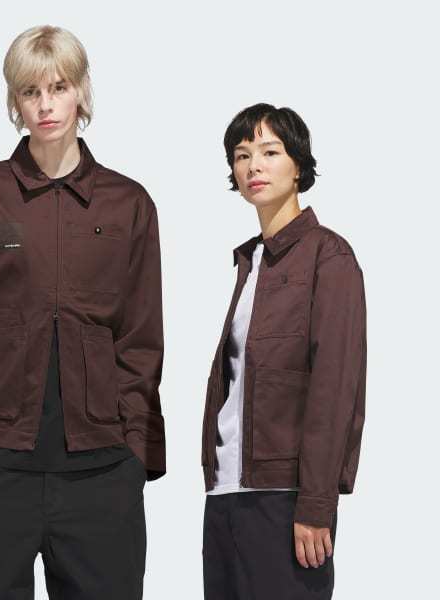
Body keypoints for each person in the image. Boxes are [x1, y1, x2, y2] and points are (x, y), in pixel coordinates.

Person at [0, 25, 165, 599]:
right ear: (15, 101)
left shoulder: (129, 205)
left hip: (101, 474)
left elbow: (141, 339)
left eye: (58, 87)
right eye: (30, 91)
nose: (45, 105)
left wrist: (134, 452)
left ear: (81, 91)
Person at [201, 103, 367, 599]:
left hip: (284, 500)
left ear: (298, 166)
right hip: (226, 495)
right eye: (242, 155)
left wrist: (316, 504)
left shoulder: (328, 256)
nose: (254, 165)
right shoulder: (250, 262)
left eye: (270, 152)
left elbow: (335, 390)